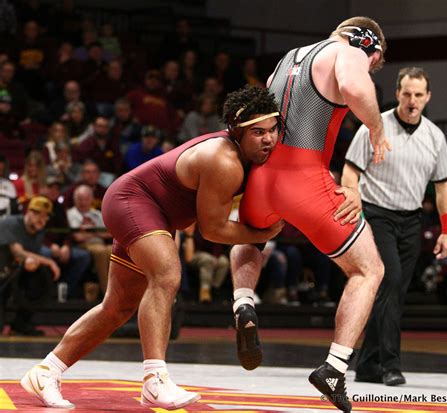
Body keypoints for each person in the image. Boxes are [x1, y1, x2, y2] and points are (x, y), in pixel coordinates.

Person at [20, 86, 284, 409]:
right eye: (258, 133)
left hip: (150, 212)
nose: (268, 139)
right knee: (167, 274)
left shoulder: (245, 156)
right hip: (133, 202)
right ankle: (154, 380)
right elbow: (212, 230)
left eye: (272, 130)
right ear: (236, 131)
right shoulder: (224, 160)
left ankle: (47, 370)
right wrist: (260, 234)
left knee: (117, 307)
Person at [229, 17, 390, 413]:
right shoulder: (348, 52)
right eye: (374, 65)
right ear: (372, 49)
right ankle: (334, 368)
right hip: (304, 177)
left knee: (254, 236)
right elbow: (354, 87)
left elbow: (257, 117)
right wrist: (376, 127)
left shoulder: (286, 58)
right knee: (368, 271)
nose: (368, 70)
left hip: (261, 176)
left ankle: (243, 302)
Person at [342, 67, 447, 387]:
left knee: (394, 293)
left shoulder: (434, 136)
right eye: (406, 93)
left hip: (411, 220)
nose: (412, 100)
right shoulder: (374, 127)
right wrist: (354, 210)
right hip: (376, 216)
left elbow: (444, 185)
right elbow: (350, 172)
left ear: (428, 97)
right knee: (389, 280)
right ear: (397, 94)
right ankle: (390, 364)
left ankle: (366, 363)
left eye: (419, 95)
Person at [0, 196, 60, 335]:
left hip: (12, 272)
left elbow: (27, 258)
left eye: (45, 217)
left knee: (40, 275)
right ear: (29, 212)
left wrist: (34, 263)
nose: (42, 219)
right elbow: (18, 253)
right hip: (3, 271)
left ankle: (21, 322)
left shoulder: (39, 231)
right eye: (38, 214)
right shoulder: (10, 223)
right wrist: (50, 262)